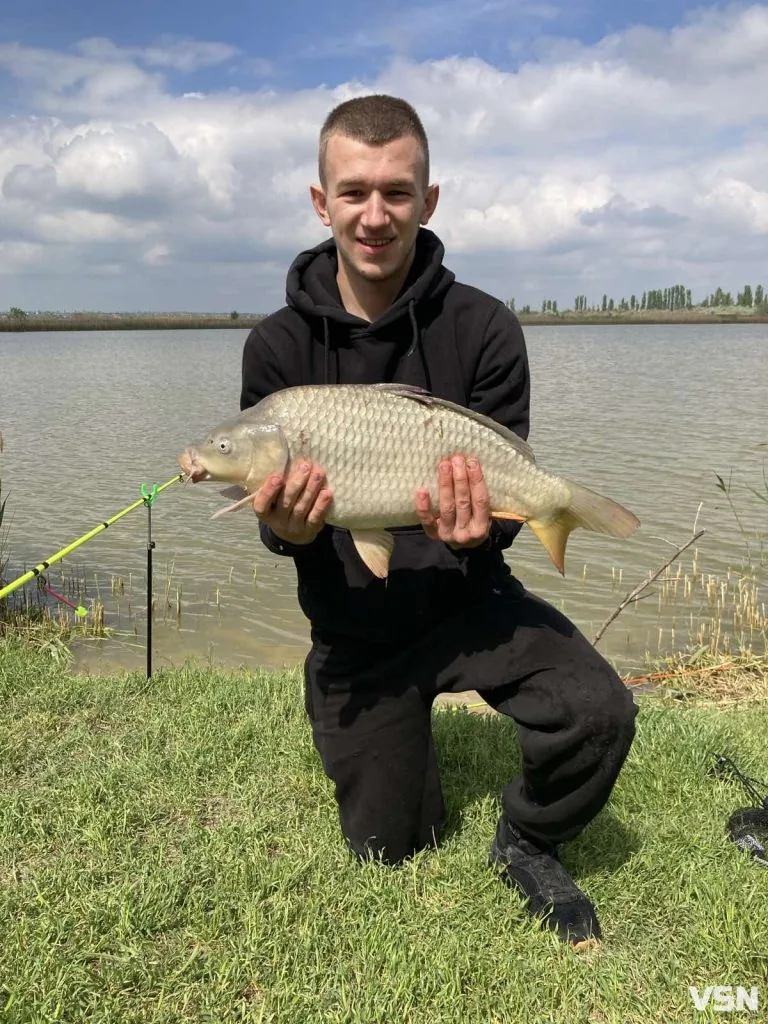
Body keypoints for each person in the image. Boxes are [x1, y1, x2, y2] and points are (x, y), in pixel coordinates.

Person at [240, 94, 637, 946]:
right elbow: (278, 529)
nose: (375, 215)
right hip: (355, 630)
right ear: (321, 202)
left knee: (600, 710)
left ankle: (528, 836)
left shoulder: (485, 327)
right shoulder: (277, 352)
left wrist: (488, 528)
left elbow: (495, 509)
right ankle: (386, 736)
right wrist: (297, 530)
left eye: (397, 192)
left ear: (429, 199)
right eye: (353, 192)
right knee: (391, 844)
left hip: (470, 600)